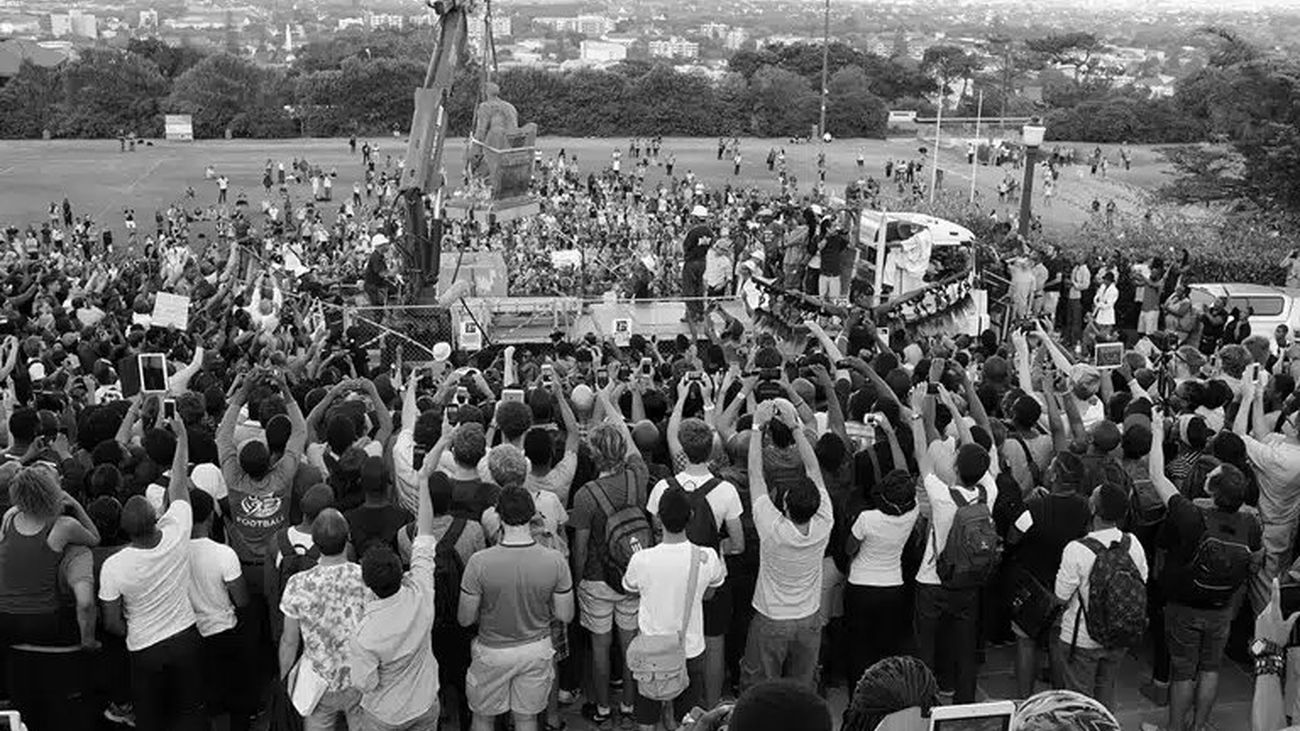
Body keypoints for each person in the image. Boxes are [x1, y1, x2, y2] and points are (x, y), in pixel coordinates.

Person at [1147, 409, 1261, 731]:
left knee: (1183, 671)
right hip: (1222, 606)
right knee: (1211, 668)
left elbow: (1157, 476)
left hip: (1186, 605)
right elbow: (1256, 561)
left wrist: (1157, 431)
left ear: (1211, 490)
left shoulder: (1192, 515)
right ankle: (1200, 725)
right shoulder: (1251, 523)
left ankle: (1175, 728)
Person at [99, 416, 208, 731]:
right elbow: (178, 484)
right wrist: (182, 438)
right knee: (191, 710)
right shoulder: (177, 531)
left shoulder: (114, 566)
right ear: (156, 518)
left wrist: (137, 629)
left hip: (144, 648)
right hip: (185, 637)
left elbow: (112, 622)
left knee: (151, 717)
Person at [459, 486, 574, 731]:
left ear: (499, 516)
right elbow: (566, 614)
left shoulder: (479, 563)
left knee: (483, 718)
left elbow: (465, 618)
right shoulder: (554, 560)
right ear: (532, 514)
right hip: (537, 649)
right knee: (527, 719)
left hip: (492, 650)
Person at [649, 415, 744, 709]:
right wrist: (711, 549)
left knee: (670, 640)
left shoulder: (662, 488)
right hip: (712, 577)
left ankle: (671, 706)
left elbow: (657, 532)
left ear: (682, 450)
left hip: (670, 576)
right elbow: (738, 544)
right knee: (714, 642)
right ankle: (711, 707)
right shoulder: (726, 490)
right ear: (711, 451)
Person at [739, 398, 832, 691]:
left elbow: (755, 474)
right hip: (809, 618)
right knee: (802, 687)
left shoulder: (772, 528)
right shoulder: (824, 521)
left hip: (771, 619)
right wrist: (795, 427)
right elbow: (814, 469)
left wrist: (757, 426)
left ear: (786, 505)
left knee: (761, 688)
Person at [569, 392, 650, 725]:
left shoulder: (585, 496)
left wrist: (578, 581)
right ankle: (629, 704)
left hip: (597, 578)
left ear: (594, 454)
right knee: (630, 644)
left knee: (600, 647)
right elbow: (631, 445)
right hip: (632, 573)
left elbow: (581, 547)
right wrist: (608, 400)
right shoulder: (639, 476)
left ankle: (602, 707)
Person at [349, 442, 442, 730]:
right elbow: (425, 534)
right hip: (425, 703)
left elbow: (365, 682)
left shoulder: (364, 634)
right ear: (401, 571)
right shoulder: (421, 594)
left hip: (384, 715)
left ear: (367, 583)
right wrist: (423, 480)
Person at [624, 486, 726, 731]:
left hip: (651, 651)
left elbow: (630, 588)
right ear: (690, 516)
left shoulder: (641, 559)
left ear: (659, 518)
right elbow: (710, 592)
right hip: (689, 648)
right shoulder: (707, 557)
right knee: (687, 720)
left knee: (647, 720)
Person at [1054, 479, 1148, 710]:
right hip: (1120, 631)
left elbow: (1061, 596)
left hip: (1082, 637)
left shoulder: (1076, 549)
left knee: (1078, 701)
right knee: (1106, 691)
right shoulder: (1133, 544)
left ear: (1094, 508)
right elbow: (1142, 580)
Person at [278, 507, 369, 731]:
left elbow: (289, 641)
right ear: (348, 538)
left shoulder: (298, 584)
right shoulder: (365, 577)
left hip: (318, 683)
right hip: (360, 679)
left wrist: (286, 679)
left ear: (314, 542)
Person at [187, 489, 253, 731]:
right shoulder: (224, 554)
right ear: (209, 517)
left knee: (204, 697)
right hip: (225, 631)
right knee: (237, 694)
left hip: (191, 633)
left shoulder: (173, 555)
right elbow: (242, 600)